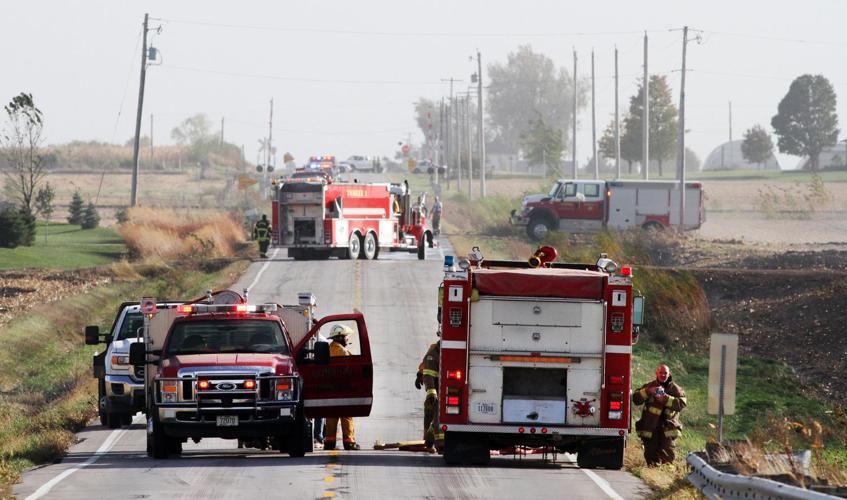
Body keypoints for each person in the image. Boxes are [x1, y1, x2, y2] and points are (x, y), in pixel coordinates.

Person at [632, 364, 687, 466]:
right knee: (650, 453)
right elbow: (636, 399)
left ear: (669, 374)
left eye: (665, 373)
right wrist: (648, 391)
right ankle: (653, 472)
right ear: (656, 373)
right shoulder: (649, 386)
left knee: (668, 454)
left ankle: (665, 475)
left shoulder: (675, 389)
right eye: (660, 372)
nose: (663, 375)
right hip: (651, 428)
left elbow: (681, 404)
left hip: (668, 428)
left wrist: (665, 398)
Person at [323, 325, 360, 451]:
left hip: (330, 389)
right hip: (343, 389)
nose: (347, 339)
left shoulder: (330, 348)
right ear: (339, 337)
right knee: (346, 414)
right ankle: (349, 442)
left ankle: (329, 442)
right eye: (345, 337)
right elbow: (349, 370)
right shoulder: (342, 352)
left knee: (331, 415)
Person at [415, 339, 442, 451]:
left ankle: (436, 440)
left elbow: (428, 369)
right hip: (435, 389)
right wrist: (420, 375)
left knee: (436, 415)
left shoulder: (434, 351)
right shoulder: (433, 352)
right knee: (430, 412)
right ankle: (429, 439)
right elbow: (427, 369)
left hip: (442, 389)